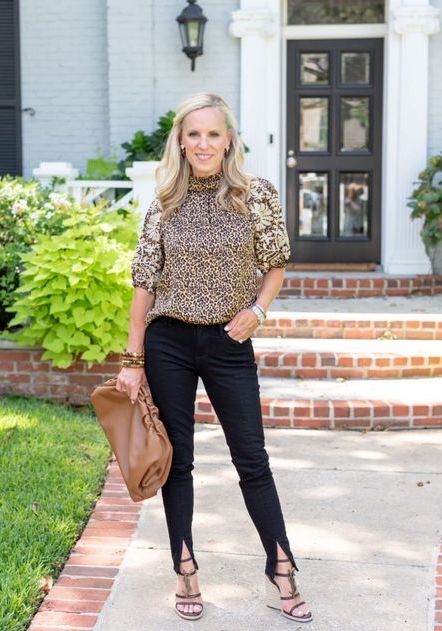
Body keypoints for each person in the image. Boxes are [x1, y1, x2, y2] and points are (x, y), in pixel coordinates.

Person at [116, 92, 312, 624]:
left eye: (213, 134)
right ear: (181, 140)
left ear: (229, 141)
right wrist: (132, 360)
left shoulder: (257, 194)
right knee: (178, 461)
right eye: (193, 134)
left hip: (229, 343)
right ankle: (185, 567)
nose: (203, 144)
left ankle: (281, 567)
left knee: (252, 459)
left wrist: (258, 312)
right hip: (169, 343)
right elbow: (144, 284)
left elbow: (275, 264)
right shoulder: (164, 200)